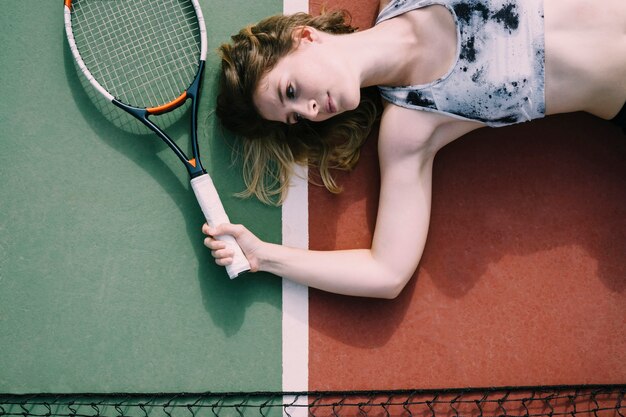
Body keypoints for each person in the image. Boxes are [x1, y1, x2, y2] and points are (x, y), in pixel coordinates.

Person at [203, 0, 626, 298]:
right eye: (295, 116)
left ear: (305, 37)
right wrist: (264, 255)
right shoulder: (411, 128)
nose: (310, 111)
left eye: (291, 90)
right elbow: (386, 272)